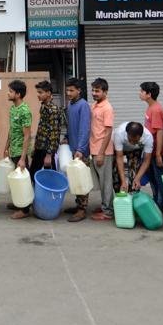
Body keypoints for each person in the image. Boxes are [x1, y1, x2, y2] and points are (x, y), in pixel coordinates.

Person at [79, 78, 114, 221]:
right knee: (100, 182)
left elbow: (108, 132)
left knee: (106, 182)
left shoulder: (107, 108)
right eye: (93, 90)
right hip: (94, 149)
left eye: (97, 91)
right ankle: (105, 205)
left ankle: (108, 212)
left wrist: (100, 153)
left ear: (105, 92)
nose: (94, 93)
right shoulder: (94, 106)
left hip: (103, 151)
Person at [4, 80, 33, 219]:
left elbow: (27, 136)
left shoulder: (24, 111)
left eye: (10, 91)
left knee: (22, 180)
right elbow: (11, 130)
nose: (7, 93)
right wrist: (6, 147)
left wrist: (22, 158)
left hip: (20, 151)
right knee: (16, 179)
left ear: (18, 94)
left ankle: (25, 209)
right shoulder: (12, 109)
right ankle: (19, 203)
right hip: (13, 150)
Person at [64, 77, 91, 222]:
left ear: (79, 91)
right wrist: (67, 137)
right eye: (67, 90)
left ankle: (82, 209)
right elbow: (70, 125)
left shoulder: (83, 105)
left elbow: (85, 129)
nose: (68, 93)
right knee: (75, 178)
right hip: (73, 147)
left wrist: (81, 149)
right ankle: (78, 205)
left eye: (71, 90)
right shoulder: (70, 105)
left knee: (81, 179)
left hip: (81, 150)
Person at [140, 81, 163, 211]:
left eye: (142, 91)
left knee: (159, 181)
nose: (139, 93)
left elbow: (160, 131)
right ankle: (156, 202)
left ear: (148, 94)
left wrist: (158, 154)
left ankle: (159, 207)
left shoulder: (156, 109)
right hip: (150, 150)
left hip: (158, 152)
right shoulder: (151, 107)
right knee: (153, 180)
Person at [32, 80, 67, 179]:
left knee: (50, 177)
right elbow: (42, 129)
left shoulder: (53, 110)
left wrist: (49, 155)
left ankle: (53, 194)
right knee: (34, 175)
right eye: (38, 92)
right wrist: (36, 147)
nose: (38, 95)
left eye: (40, 92)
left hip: (47, 149)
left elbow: (54, 133)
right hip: (40, 147)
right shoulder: (44, 106)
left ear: (48, 93)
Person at [113, 121, 153, 196]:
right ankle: (121, 197)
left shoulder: (148, 137)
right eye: (130, 139)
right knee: (116, 174)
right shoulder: (119, 133)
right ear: (127, 133)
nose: (132, 142)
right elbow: (119, 157)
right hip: (121, 149)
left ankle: (133, 196)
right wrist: (123, 181)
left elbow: (146, 161)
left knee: (134, 174)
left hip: (135, 150)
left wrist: (138, 178)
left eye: (135, 141)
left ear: (141, 136)